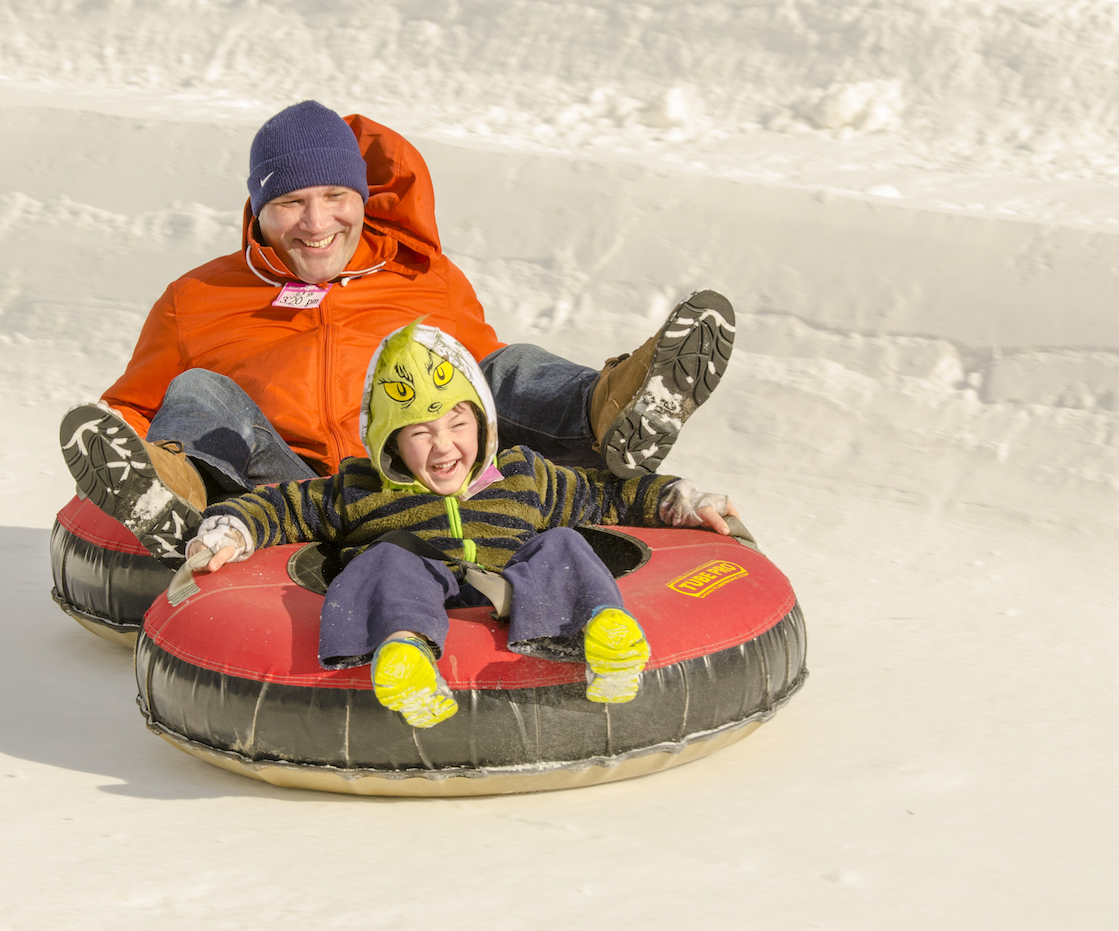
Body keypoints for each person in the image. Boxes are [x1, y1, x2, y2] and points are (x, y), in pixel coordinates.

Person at [59, 100, 736, 562]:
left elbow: (481, 393)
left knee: (496, 364)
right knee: (198, 389)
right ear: (257, 211)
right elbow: (134, 407)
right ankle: (168, 503)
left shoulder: (422, 276)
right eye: (289, 202)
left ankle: (622, 406)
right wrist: (127, 453)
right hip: (297, 493)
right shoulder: (197, 296)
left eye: (334, 198)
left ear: (361, 198)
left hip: (413, 473)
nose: (315, 223)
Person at [180, 320, 740, 728]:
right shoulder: (360, 488)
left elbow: (604, 496)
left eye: (457, 421)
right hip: (418, 590)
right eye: (420, 432)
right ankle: (402, 654)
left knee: (563, 541)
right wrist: (231, 527)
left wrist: (677, 500)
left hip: (511, 589)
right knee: (386, 558)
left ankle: (602, 631)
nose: (444, 445)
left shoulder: (524, 476)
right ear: (390, 441)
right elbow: (285, 506)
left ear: (483, 420)